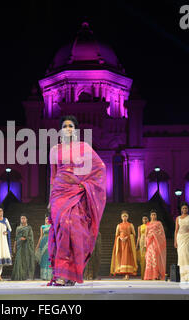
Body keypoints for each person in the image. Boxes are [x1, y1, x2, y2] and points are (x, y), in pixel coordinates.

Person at [47, 115, 106, 286]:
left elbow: (100, 167)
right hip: (58, 193)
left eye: (71, 126)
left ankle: (70, 274)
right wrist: (50, 199)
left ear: (76, 130)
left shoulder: (84, 147)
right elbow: (53, 175)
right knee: (60, 232)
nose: (68, 128)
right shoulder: (54, 150)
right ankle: (61, 273)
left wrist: (85, 185)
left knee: (72, 229)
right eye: (65, 126)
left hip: (76, 193)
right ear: (60, 130)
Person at [110, 211, 138, 280]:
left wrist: (128, 237)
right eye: (123, 216)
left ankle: (127, 275)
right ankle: (123, 272)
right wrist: (120, 238)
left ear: (128, 217)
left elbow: (134, 234)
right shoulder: (119, 225)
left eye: (125, 216)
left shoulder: (130, 225)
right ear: (121, 217)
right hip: (121, 244)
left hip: (128, 244)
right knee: (122, 258)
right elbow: (116, 235)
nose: (124, 217)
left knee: (127, 258)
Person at [144, 210, 166, 280]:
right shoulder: (148, 224)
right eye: (152, 215)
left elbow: (161, 233)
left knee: (155, 258)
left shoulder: (159, 223)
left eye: (154, 215)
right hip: (149, 242)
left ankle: (156, 275)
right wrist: (146, 242)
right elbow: (146, 234)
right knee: (149, 258)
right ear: (150, 216)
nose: (153, 216)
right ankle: (149, 275)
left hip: (156, 243)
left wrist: (154, 234)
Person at [11, 215, 35, 281]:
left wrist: (25, 238)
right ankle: (19, 276)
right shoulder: (18, 228)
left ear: (26, 219)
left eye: (24, 218)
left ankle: (25, 276)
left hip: (27, 247)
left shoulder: (29, 228)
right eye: (21, 218)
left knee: (26, 261)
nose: (23, 220)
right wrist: (14, 246)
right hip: (19, 246)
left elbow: (31, 237)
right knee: (19, 260)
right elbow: (16, 238)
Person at [35, 215, 53, 281]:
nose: (47, 220)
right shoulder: (42, 227)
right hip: (43, 242)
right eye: (46, 219)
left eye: (48, 219)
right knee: (43, 258)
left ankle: (49, 275)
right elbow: (41, 236)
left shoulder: (52, 226)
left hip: (50, 242)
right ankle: (44, 276)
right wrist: (37, 245)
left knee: (49, 258)